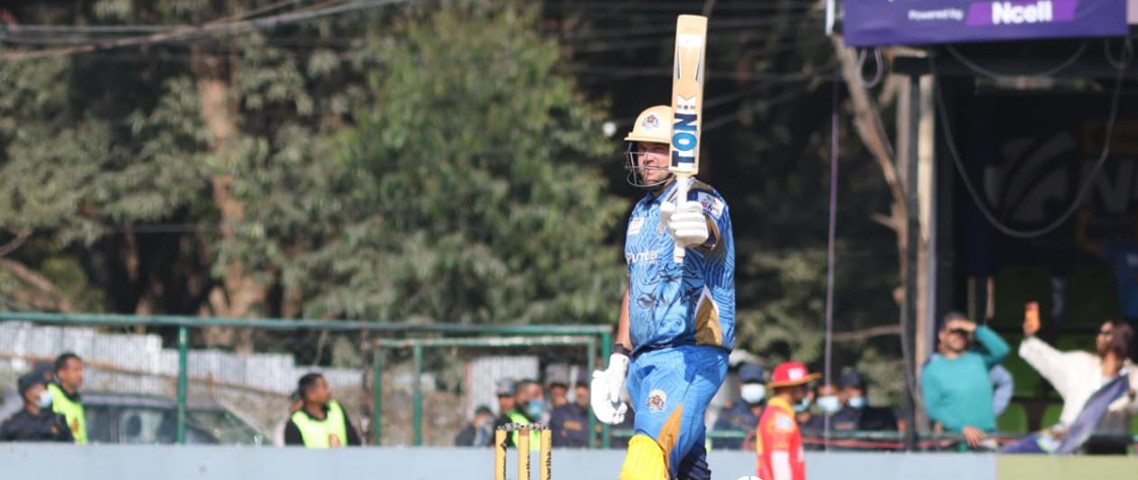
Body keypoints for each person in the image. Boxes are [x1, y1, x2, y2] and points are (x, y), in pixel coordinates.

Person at [590, 105, 735, 480]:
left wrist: (698, 229)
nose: (647, 157)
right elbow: (635, 286)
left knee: (645, 459)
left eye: (658, 148)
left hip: (689, 354)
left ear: (682, 152)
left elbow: (710, 229)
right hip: (645, 361)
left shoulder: (702, 199)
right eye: (642, 148)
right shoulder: (640, 213)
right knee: (686, 468)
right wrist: (618, 360)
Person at [1016, 303, 1138, 453]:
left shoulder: (1132, 374)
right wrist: (1029, 337)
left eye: (1105, 333)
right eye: (1099, 332)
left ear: (1120, 337)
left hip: (1111, 445)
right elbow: (1049, 358)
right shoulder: (1081, 364)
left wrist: (1132, 397)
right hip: (1075, 445)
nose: (1099, 337)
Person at [920, 312, 1010, 449]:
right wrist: (963, 428)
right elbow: (933, 408)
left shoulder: (978, 358)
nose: (958, 336)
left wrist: (975, 328)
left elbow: (1002, 350)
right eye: (953, 332)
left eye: (962, 332)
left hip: (986, 437)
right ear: (942, 335)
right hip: (954, 440)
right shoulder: (931, 369)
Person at [1077, 207, 1138, 360]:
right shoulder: (1121, 249)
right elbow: (1084, 243)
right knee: (1125, 363)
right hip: (1128, 321)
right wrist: (1082, 220)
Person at [756, 362, 817, 480]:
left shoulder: (777, 413)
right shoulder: (780, 417)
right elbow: (779, 459)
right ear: (790, 388)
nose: (806, 390)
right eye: (803, 385)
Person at [284, 373, 361, 448]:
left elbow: (354, 442)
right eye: (325, 387)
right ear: (311, 395)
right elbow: (295, 454)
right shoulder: (296, 423)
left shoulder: (336, 409)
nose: (329, 391)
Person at [0, 372, 73, 442]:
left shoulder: (58, 420)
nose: (46, 392)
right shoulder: (14, 423)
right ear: (28, 394)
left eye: (46, 389)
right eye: (41, 389)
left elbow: (70, 446)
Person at [712, 362, 765, 450]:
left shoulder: (772, 411)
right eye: (748, 382)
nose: (753, 385)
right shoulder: (728, 413)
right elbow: (717, 446)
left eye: (756, 382)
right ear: (739, 384)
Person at [48, 352, 86, 444]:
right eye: (76, 370)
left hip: (79, 451)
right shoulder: (49, 394)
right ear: (61, 373)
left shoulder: (76, 400)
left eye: (82, 370)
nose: (81, 375)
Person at [494, 378, 544, 447]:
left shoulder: (533, 420)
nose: (541, 399)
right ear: (521, 396)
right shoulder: (506, 420)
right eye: (535, 395)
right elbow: (498, 450)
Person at [549, 382, 592, 448]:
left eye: (584, 396)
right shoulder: (562, 412)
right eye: (579, 396)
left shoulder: (596, 416)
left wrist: (570, 434)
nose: (582, 399)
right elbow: (557, 438)